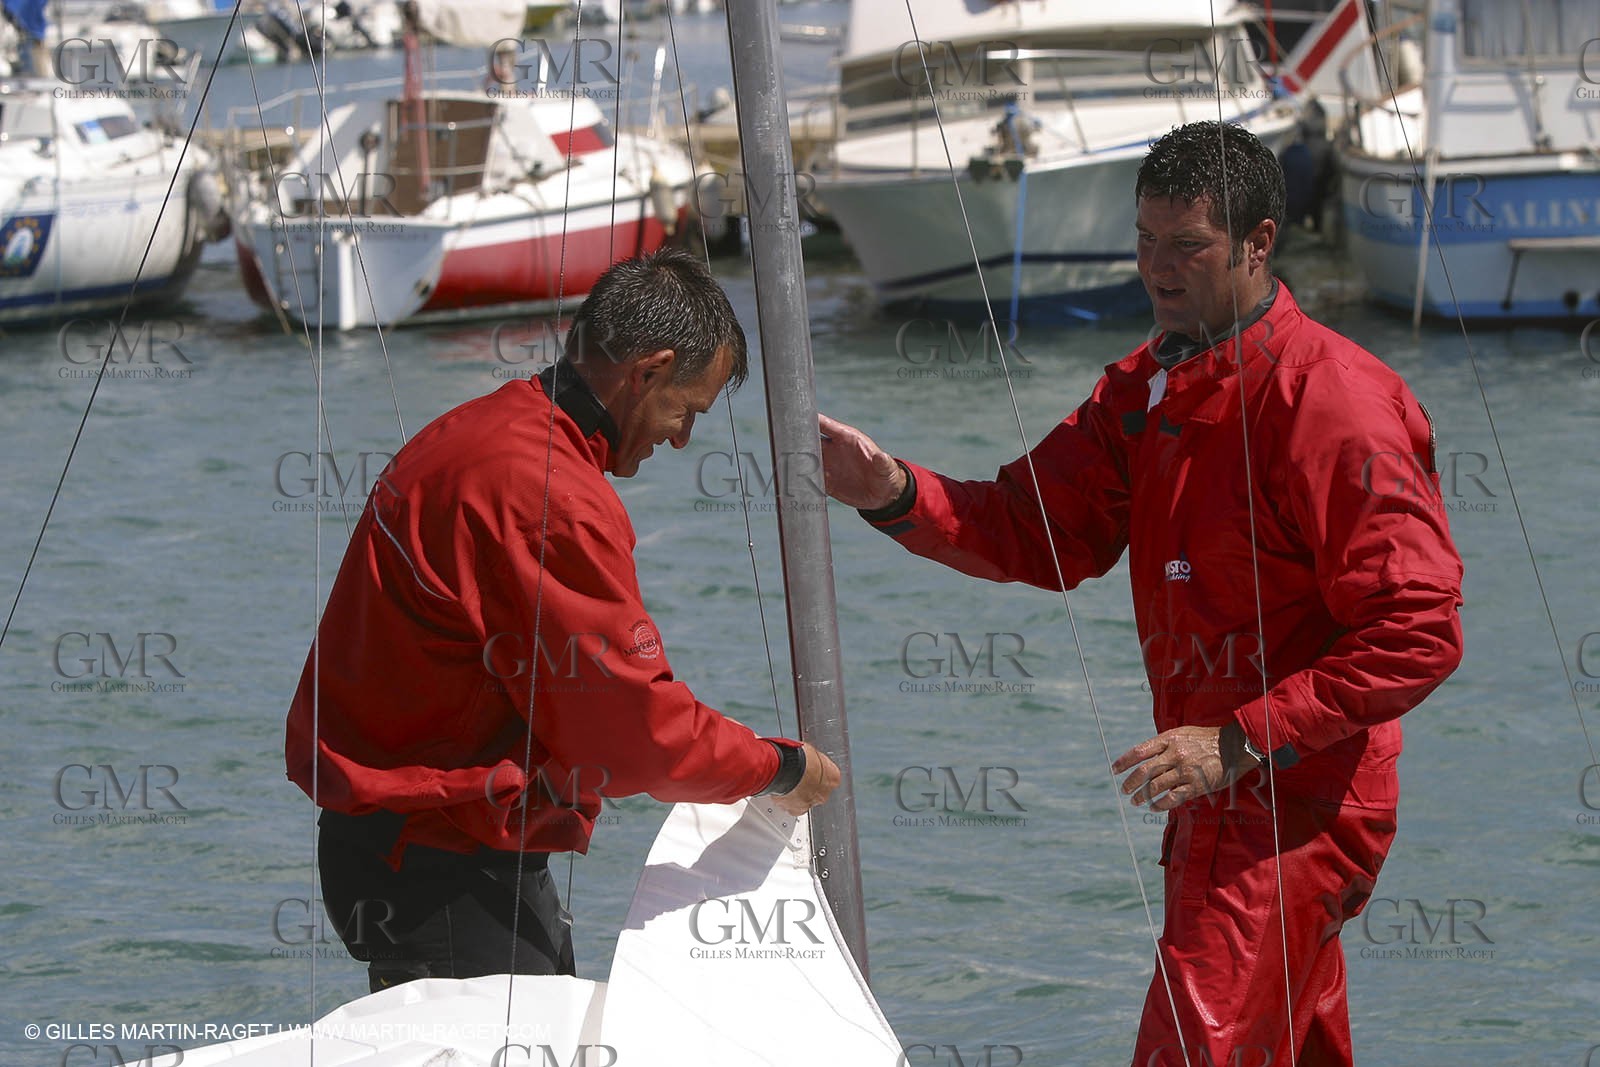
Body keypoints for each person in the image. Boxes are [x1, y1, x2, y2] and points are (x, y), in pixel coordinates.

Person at [819, 121, 1463, 1066]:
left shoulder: (1334, 401)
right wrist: (893, 491)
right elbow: (1032, 528)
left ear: (1257, 243)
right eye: (1145, 240)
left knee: (1188, 1051)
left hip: (1293, 799)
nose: (1159, 269)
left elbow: (1419, 627)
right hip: (1213, 792)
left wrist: (1242, 738)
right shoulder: (1146, 385)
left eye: (1188, 246)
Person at [285, 248, 840, 992]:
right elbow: (633, 730)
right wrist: (778, 765)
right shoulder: (550, 495)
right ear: (647, 371)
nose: (681, 439)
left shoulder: (476, 430)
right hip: (444, 859)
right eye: (688, 411)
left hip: (391, 841)